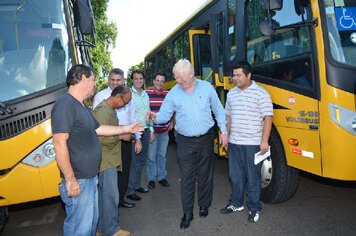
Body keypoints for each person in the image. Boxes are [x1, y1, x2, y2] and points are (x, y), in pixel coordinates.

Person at [51, 65, 143, 236]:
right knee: (80, 228)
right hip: (79, 179)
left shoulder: (82, 106)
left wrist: (127, 128)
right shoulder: (64, 104)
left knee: (90, 226)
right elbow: (59, 143)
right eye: (93, 80)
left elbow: (100, 129)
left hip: (90, 177)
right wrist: (70, 180)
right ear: (83, 79)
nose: (95, 84)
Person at [147, 59, 228, 229]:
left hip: (206, 138)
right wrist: (155, 117)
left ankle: (204, 205)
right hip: (184, 141)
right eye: (176, 78)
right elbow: (164, 115)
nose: (178, 81)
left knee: (205, 174)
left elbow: (218, 110)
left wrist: (224, 131)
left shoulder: (206, 88)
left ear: (191, 74)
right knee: (187, 177)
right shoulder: (173, 93)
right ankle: (187, 213)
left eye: (181, 78)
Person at [220, 61, 273, 223]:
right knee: (235, 176)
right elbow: (228, 116)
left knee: (253, 178)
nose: (234, 78)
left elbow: (268, 118)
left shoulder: (261, 93)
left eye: (238, 75)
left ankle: (254, 208)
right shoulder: (231, 94)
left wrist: (264, 142)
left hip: (252, 144)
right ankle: (236, 203)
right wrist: (226, 135)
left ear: (248, 75)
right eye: (233, 75)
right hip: (235, 143)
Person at [92, 68, 138, 209]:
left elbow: (133, 117)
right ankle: (111, 204)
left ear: (123, 81)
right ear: (108, 80)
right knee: (109, 179)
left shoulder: (127, 95)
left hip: (124, 139)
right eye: (112, 80)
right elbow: (98, 127)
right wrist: (121, 133)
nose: (115, 82)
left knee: (124, 171)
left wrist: (137, 137)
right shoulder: (101, 98)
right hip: (108, 144)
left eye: (118, 80)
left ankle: (120, 199)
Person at [93, 85, 132, 236]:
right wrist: (121, 136)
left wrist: (126, 129)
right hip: (105, 159)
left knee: (104, 197)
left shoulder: (110, 109)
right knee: (110, 196)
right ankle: (112, 230)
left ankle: (101, 229)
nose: (125, 105)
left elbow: (110, 129)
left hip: (109, 158)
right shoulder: (103, 110)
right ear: (117, 96)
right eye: (124, 102)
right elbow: (99, 137)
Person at [126, 70, 153, 201]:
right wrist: (135, 135)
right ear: (132, 80)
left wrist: (152, 129)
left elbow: (148, 113)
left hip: (146, 130)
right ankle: (130, 190)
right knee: (135, 162)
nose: (138, 81)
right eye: (135, 78)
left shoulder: (146, 94)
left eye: (140, 78)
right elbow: (129, 116)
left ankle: (136, 186)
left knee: (142, 161)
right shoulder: (128, 94)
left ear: (143, 80)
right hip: (136, 131)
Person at [145, 73, 172, 189]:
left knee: (162, 155)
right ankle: (151, 178)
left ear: (164, 83)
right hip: (152, 131)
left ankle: (162, 177)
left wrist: (172, 123)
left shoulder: (168, 94)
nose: (159, 83)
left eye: (162, 81)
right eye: (157, 80)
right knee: (151, 156)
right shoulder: (146, 94)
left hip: (164, 130)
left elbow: (173, 109)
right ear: (153, 81)